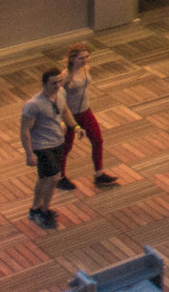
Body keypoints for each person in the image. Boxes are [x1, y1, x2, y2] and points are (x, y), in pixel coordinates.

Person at [56, 42, 119, 190]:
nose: (84, 60)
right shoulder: (65, 75)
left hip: (85, 111)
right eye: (80, 58)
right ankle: (60, 177)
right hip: (70, 115)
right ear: (72, 59)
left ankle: (99, 174)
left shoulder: (86, 69)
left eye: (86, 57)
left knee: (97, 140)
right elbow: (57, 96)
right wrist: (61, 119)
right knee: (66, 147)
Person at [19, 68, 68, 230]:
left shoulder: (60, 94)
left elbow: (64, 112)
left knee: (44, 179)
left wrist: (75, 126)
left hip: (57, 142)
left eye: (60, 81)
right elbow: (25, 130)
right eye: (54, 83)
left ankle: (35, 209)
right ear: (44, 84)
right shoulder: (33, 105)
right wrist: (29, 153)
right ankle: (44, 210)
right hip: (42, 146)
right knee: (54, 178)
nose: (58, 85)